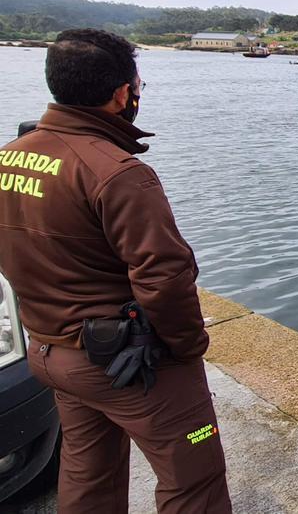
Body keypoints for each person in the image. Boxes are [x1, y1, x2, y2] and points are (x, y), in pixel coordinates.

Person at [0, 29, 230, 513]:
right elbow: (164, 276)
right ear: (123, 93)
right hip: (125, 364)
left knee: (88, 476)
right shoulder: (118, 172)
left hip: (51, 350)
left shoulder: (10, 157)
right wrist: (187, 350)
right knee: (194, 480)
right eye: (139, 87)